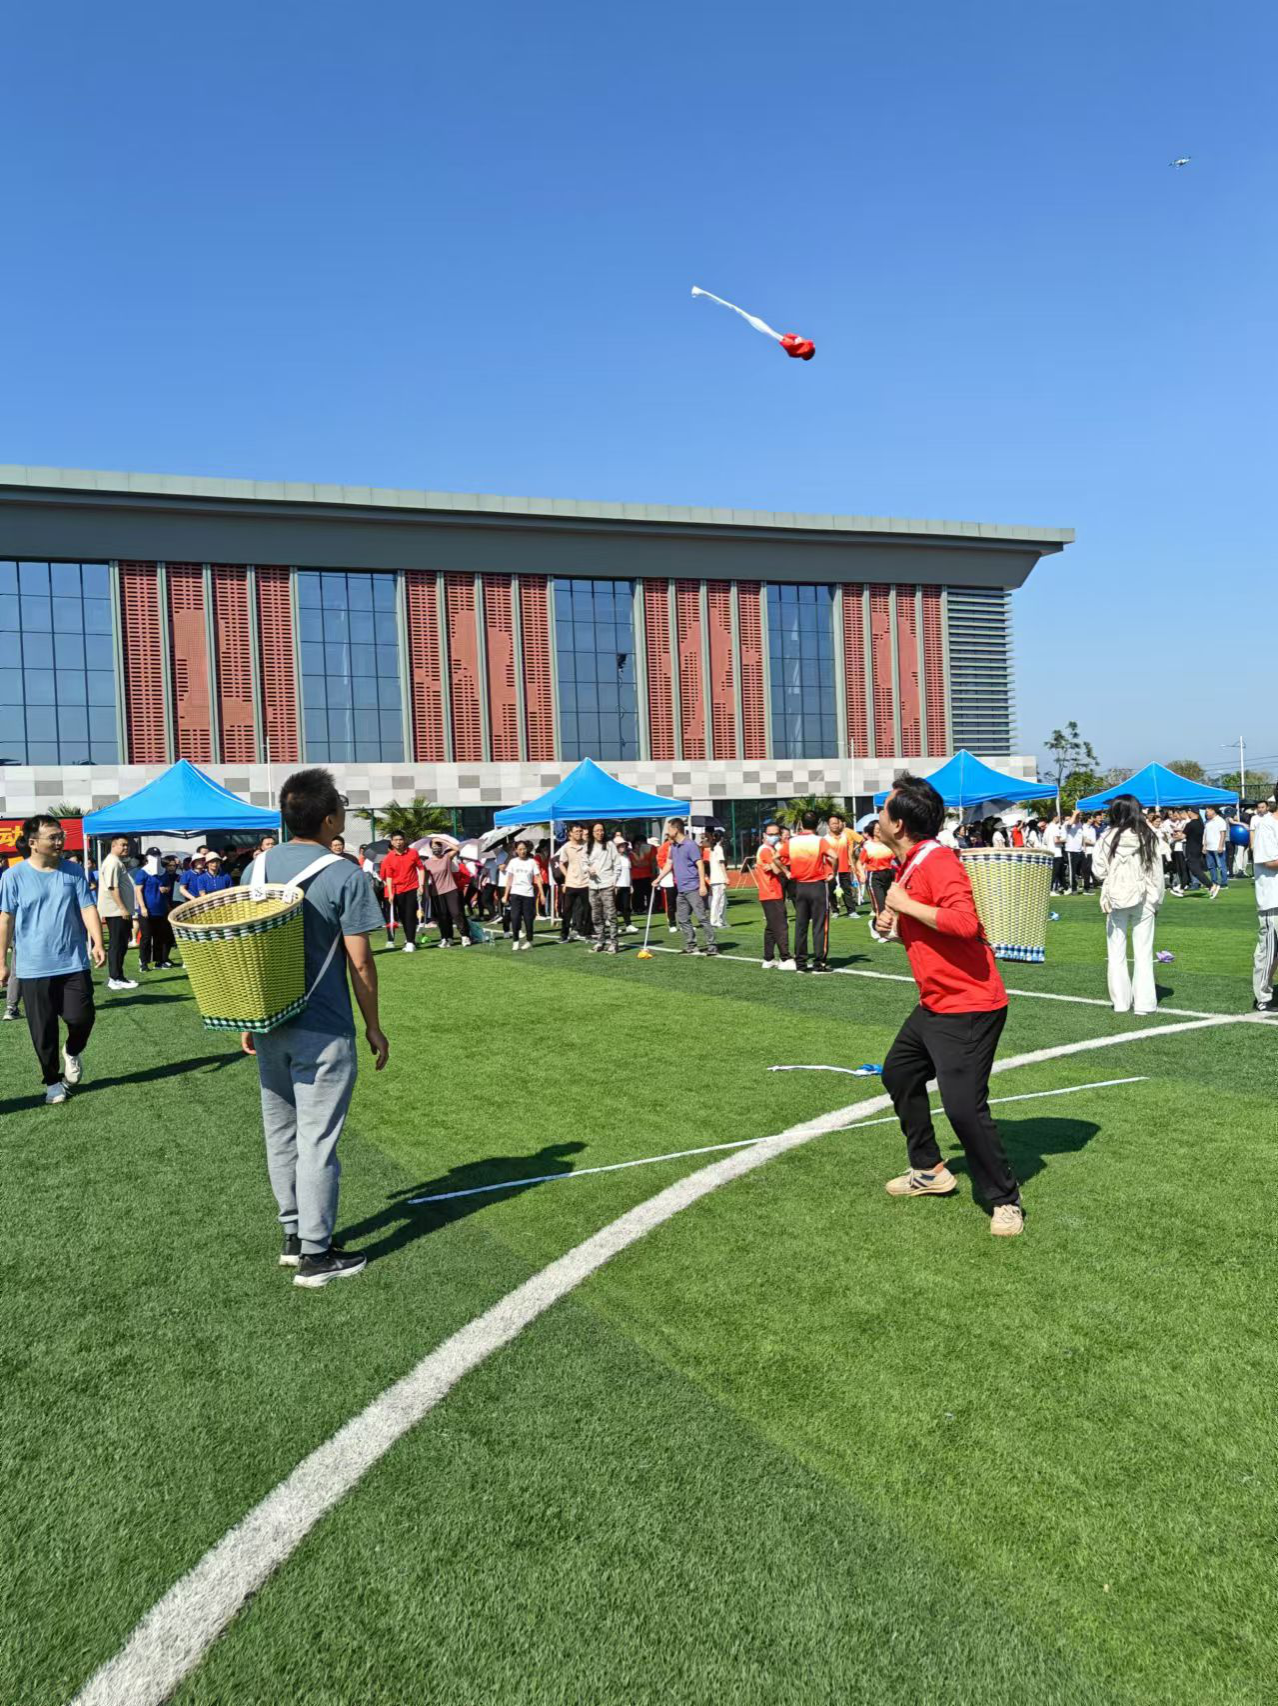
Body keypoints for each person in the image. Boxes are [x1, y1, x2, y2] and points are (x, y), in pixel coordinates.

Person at [240, 770, 388, 1287]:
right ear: (329, 819)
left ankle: (292, 1235)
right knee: (317, 1140)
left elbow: (245, 947)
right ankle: (316, 1254)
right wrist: (374, 1026)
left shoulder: (255, 868)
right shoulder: (345, 874)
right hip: (323, 1026)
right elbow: (360, 962)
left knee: (281, 1134)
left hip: (268, 1021)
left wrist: (248, 1014)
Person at [874, 776, 1023, 1237]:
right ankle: (928, 1169)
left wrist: (905, 905)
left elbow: (963, 923)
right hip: (936, 1003)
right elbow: (923, 927)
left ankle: (1005, 1199)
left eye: (883, 809)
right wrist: (891, 922)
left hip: (969, 1005)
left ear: (899, 825)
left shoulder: (936, 861)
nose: (877, 816)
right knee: (899, 1073)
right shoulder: (912, 863)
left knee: (963, 1109)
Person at [0, 815, 106, 1104]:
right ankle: (52, 1082)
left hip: (73, 961)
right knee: (43, 1030)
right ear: (33, 842)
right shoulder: (13, 876)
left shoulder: (74, 871)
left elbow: (87, 907)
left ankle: (72, 1051)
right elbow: (6, 919)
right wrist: (2, 961)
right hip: (33, 967)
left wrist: (97, 941)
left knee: (82, 1017)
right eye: (53, 837)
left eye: (61, 836)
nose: (60, 841)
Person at [1091, 795, 1165, 1016]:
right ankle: (1144, 1004)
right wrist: (1157, 901)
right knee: (1143, 952)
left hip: (1116, 897)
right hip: (1144, 896)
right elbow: (1157, 872)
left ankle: (1121, 1003)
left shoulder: (1106, 837)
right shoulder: (1148, 835)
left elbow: (1099, 871)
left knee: (1116, 952)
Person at [786, 809, 834, 972]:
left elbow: (777, 858)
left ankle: (800, 963)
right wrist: (832, 872)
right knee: (819, 925)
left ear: (801, 823)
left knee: (801, 925)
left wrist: (786, 872)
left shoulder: (792, 841)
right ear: (818, 824)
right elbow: (834, 856)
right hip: (817, 886)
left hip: (799, 886)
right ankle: (819, 963)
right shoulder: (820, 841)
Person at [667, 819, 717, 955]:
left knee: (702, 917)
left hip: (693, 887)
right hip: (681, 889)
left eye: (669, 829)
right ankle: (691, 945)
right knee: (682, 918)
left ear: (676, 829)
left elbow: (700, 864)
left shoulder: (690, 845)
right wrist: (658, 879)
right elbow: (669, 864)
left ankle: (712, 945)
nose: (667, 832)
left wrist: (702, 885)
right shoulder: (673, 846)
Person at [753, 820, 795, 970]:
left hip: (772, 892)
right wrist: (775, 865)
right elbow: (778, 870)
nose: (774, 836)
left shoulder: (771, 849)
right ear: (764, 835)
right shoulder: (766, 850)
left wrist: (773, 864)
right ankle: (785, 958)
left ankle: (768, 958)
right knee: (781, 925)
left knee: (772, 927)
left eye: (776, 834)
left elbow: (776, 866)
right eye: (771, 834)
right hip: (771, 892)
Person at [98, 834, 139, 991]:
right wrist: (122, 908)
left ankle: (119, 976)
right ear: (113, 845)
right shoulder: (112, 862)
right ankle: (115, 978)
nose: (126, 847)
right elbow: (112, 887)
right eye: (122, 844)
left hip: (120, 910)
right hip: (116, 911)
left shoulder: (116, 862)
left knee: (121, 944)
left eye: (127, 845)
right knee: (117, 944)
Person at [1250, 798, 1278, 1015]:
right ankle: (1263, 996)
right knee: (1269, 951)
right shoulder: (1266, 825)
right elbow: (1267, 861)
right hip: (1273, 897)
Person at [379, 831, 425, 953]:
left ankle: (410, 942)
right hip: (398, 890)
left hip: (412, 888)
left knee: (410, 914)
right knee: (403, 916)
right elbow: (388, 877)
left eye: (400, 839)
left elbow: (421, 868)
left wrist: (421, 885)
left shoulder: (413, 853)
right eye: (395, 840)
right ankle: (409, 939)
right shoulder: (389, 858)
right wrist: (390, 894)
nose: (398, 842)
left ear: (404, 840)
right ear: (392, 842)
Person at [135, 848, 177, 971]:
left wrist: (166, 889)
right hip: (147, 910)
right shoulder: (143, 872)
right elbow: (138, 890)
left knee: (160, 937)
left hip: (161, 909)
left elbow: (168, 886)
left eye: (158, 855)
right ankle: (143, 962)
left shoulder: (163, 872)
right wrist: (143, 907)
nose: (156, 858)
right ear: (148, 857)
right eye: (154, 855)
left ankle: (159, 961)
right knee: (146, 937)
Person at [422, 836, 468, 947]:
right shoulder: (427, 863)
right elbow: (425, 880)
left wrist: (441, 840)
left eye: (438, 846)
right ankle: (446, 938)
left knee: (456, 913)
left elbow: (456, 849)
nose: (436, 849)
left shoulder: (446, 857)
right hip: (436, 893)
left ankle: (465, 936)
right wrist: (426, 893)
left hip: (450, 889)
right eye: (434, 847)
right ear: (430, 849)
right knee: (442, 916)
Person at [585, 821, 622, 952]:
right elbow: (583, 863)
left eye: (601, 830)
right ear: (592, 833)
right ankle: (600, 941)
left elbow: (617, 863)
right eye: (597, 831)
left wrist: (614, 879)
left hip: (607, 885)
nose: (600, 833)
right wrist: (588, 869)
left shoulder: (610, 845)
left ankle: (614, 942)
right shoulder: (588, 846)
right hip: (593, 886)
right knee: (596, 916)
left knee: (611, 915)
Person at [501, 839, 544, 951]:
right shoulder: (513, 862)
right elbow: (509, 879)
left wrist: (542, 894)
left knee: (528, 919)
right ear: (516, 850)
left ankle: (529, 940)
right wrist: (505, 895)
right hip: (515, 893)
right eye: (520, 849)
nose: (522, 851)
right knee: (515, 918)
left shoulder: (532, 862)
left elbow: (538, 878)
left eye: (524, 849)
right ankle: (515, 941)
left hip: (528, 894)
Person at [859, 823, 895, 939]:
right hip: (874, 877)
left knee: (888, 906)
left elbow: (895, 859)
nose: (880, 831)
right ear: (872, 831)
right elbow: (859, 862)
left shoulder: (888, 844)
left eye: (881, 829)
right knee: (880, 906)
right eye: (877, 829)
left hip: (889, 875)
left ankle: (873, 924)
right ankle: (883, 934)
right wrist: (861, 874)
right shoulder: (868, 846)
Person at [556, 824, 592, 943]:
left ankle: (587, 933)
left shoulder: (587, 845)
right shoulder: (566, 847)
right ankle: (564, 934)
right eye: (576, 831)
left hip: (586, 882)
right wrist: (567, 876)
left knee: (587, 910)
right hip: (571, 883)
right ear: (570, 833)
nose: (579, 833)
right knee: (567, 910)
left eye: (580, 831)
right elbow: (561, 863)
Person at [823, 812, 857, 917]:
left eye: (836, 823)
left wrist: (851, 864)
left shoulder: (845, 837)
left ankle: (851, 911)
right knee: (831, 891)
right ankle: (835, 911)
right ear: (828, 825)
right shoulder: (825, 839)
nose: (835, 825)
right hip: (830, 870)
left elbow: (849, 852)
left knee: (847, 890)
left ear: (840, 824)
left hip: (844, 868)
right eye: (832, 823)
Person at [703, 829, 729, 930]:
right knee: (719, 901)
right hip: (719, 878)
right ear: (721, 838)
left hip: (715, 878)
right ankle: (716, 921)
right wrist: (726, 877)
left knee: (717, 900)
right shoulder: (718, 848)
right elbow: (721, 864)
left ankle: (717, 920)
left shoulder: (712, 849)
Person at [1202, 806, 1230, 897]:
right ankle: (1214, 882)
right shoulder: (1207, 822)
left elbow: (1223, 834)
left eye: (1207, 811)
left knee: (1221, 866)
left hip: (1217, 847)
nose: (1206, 813)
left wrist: (1221, 846)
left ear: (1213, 811)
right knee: (1211, 866)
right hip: (1209, 847)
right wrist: (1204, 845)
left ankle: (1224, 883)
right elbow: (1205, 834)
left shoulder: (1220, 821)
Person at [613, 832, 638, 932]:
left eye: (624, 845)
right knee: (614, 907)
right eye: (621, 845)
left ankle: (628, 925)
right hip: (617, 885)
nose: (623, 847)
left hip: (626, 885)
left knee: (626, 906)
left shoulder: (626, 857)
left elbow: (629, 872)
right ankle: (615, 926)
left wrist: (631, 885)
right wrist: (614, 885)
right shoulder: (613, 858)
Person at [629, 835, 655, 921]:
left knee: (648, 893)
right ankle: (638, 908)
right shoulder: (631, 853)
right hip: (636, 876)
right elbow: (635, 864)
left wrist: (653, 873)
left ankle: (650, 908)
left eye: (642, 843)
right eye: (637, 843)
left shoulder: (650, 849)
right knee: (637, 894)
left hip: (647, 875)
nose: (639, 845)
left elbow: (652, 862)